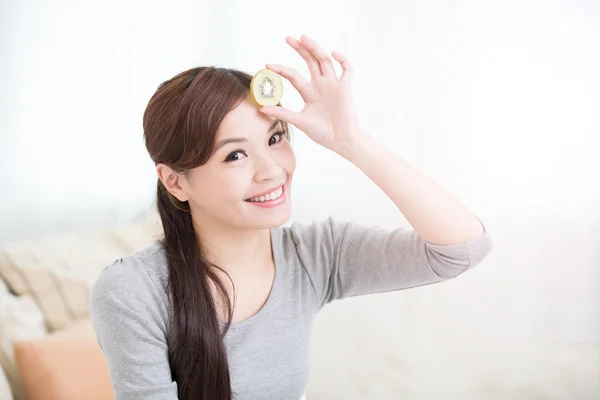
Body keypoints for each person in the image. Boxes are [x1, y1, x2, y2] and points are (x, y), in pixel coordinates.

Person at [89, 35, 493, 400]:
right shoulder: (131, 290)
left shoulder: (314, 255)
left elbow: (462, 249)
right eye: (235, 154)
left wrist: (352, 142)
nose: (271, 170)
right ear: (176, 182)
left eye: (275, 138)